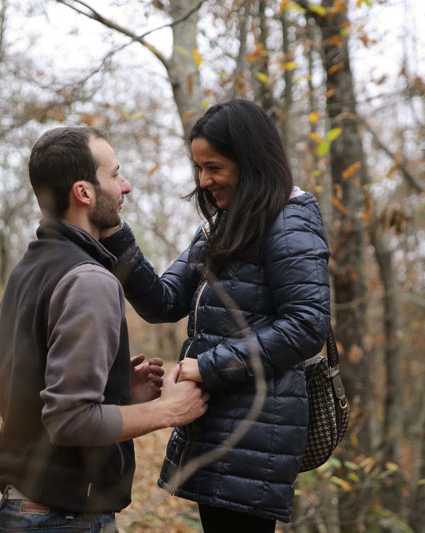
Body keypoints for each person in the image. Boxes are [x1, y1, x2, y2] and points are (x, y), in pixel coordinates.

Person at [100, 100, 331, 531]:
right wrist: (115, 235)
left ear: (250, 161)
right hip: (222, 429)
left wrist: (207, 366)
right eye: (199, 168)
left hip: (255, 434)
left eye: (214, 167)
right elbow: (164, 302)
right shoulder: (222, 228)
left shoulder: (289, 223)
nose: (204, 181)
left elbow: (306, 325)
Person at [0, 126, 209, 533]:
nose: (124, 186)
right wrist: (166, 411)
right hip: (63, 520)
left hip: (28, 511)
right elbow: (69, 421)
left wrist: (116, 391)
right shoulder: (89, 279)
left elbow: (14, 397)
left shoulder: (28, 269)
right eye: (114, 174)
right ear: (84, 193)